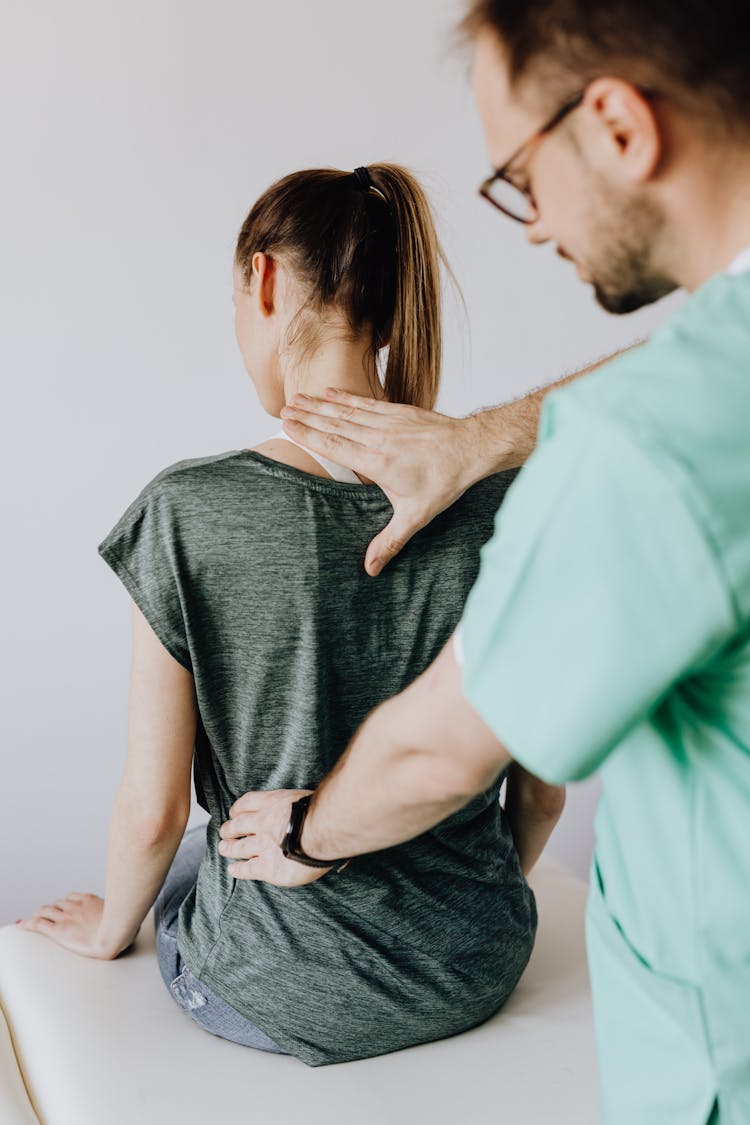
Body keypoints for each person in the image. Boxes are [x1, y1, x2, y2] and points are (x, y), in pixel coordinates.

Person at [218, 3, 750, 1122]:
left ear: (616, 125)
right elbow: (537, 808)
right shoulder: (656, 421)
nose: (531, 223)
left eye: (521, 174)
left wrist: (306, 830)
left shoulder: (643, 450)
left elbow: (437, 754)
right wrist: (486, 442)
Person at [16, 162, 566, 1066]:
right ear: (392, 308)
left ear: (263, 281)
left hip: (280, 990)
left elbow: (152, 811)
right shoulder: (500, 496)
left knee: (188, 862)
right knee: (206, 856)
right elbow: (539, 790)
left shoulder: (188, 510)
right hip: (477, 961)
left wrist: (110, 930)